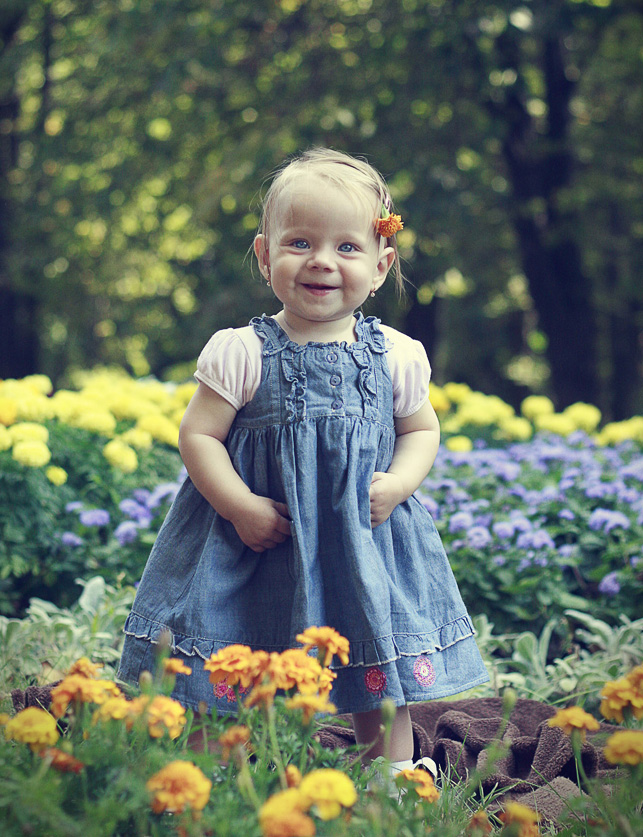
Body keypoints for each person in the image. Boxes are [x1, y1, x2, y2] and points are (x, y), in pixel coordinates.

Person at [118, 147, 489, 776]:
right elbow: (198, 437)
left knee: (380, 665)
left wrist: (398, 484)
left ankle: (389, 782)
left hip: (361, 543)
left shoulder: (397, 356)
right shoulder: (241, 352)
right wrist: (239, 507)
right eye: (299, 242)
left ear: (380, 265)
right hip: (254, 543)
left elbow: (421, 429)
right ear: (265, 256)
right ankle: (214, 777)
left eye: (347, 247)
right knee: (228, 659)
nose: (322, 260)